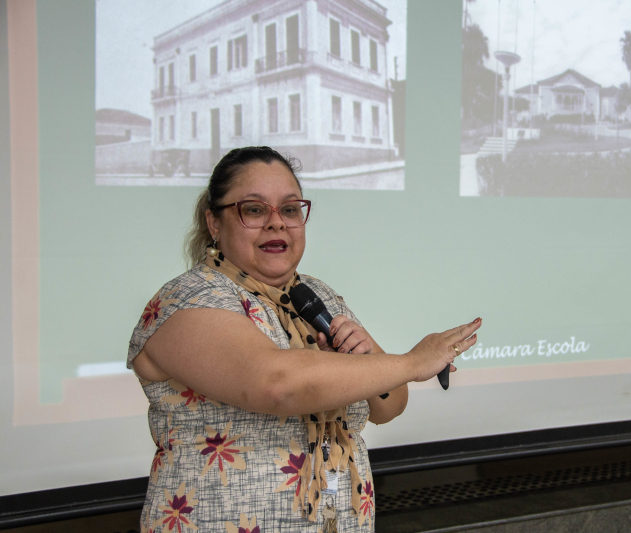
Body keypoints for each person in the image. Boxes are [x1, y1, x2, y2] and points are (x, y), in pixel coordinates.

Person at [127, 146, 481, 532]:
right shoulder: (189, 299)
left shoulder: (315, 294)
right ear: (214, 223)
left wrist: (363, 358)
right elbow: (278, 385)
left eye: (291, 209)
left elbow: (388, 405)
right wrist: (413, 362)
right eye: (255, 209)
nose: (277, 223)